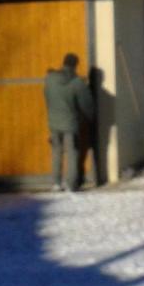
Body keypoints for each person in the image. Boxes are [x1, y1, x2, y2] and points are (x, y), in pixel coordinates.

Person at [43, 53, 93, 192]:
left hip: (54, 123)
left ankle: (56, 183)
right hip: (70, 124)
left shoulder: (50, 80)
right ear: (75, 65)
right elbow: (87, 105)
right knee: (72, 153)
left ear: (63, 62)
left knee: (56, 152)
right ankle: (70, 183)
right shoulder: (77, 83)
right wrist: (90, 118)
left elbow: (47, 98)